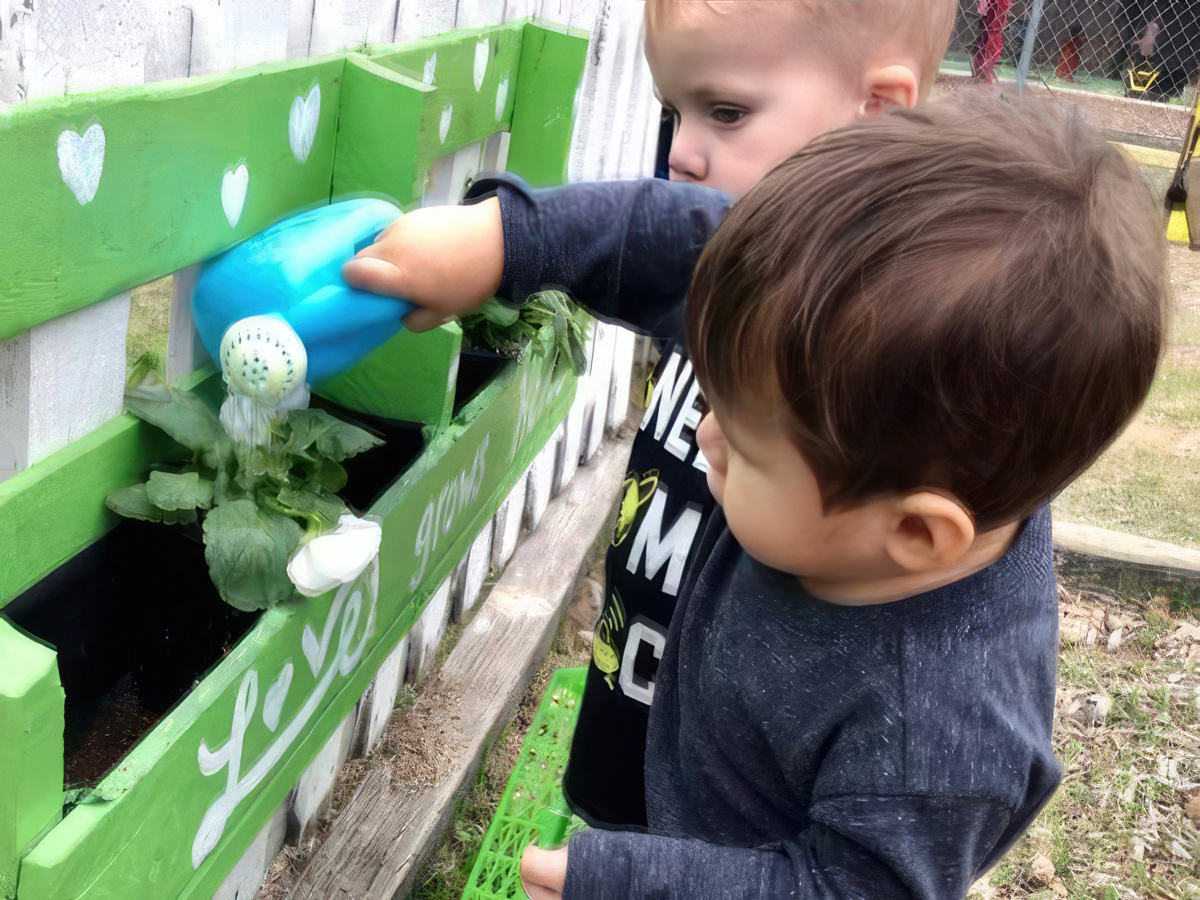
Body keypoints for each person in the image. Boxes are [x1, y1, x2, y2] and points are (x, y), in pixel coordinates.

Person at [513, 95, 1164, 898]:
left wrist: (637, 881)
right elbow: (692, 245)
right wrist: (516, 239)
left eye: (745, 447)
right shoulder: (918, 430)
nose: (703, 437)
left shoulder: (932, 741)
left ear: (919, 535)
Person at [345, 0, 957, 834]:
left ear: (876, 111)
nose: (680, 153)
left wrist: (511, 238)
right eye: (674, 111)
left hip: (730, 831)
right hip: (635, 708)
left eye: (728, 112)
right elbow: (668, 234)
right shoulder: (741, 278)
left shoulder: (892, 328)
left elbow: (674, 232)